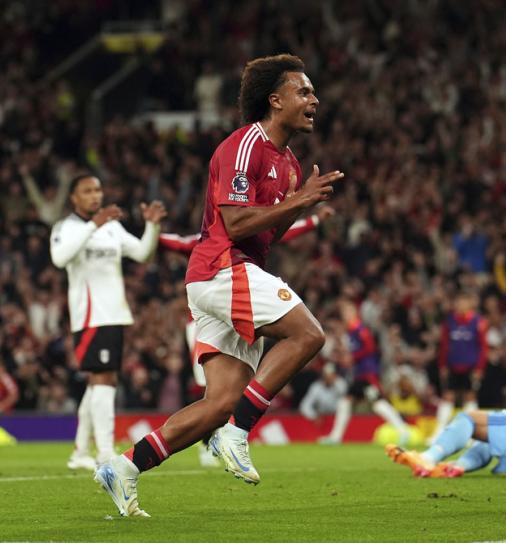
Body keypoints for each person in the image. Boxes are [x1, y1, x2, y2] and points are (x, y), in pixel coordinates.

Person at [94, 54, 343, 517]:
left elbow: (266, 232)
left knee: (219, 401)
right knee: (308, 334)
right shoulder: (246, 144)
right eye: (303, 91)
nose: (314, 99)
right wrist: (301, 202)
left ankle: (124, 467)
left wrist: (296, 206)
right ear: (275, 100)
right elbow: (236, 221)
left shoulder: (288, 163)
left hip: (231, 273)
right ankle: (238, 431)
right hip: (222, 267)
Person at [159, 206, 335, 467]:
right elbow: (170, 241)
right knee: (207, 388)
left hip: (236, 309)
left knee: (229, 390)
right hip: (203, 320)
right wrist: (148, 230)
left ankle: (223, 435)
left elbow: (281, 233)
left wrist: (313, 220)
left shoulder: (246, 235)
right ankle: (208, 441)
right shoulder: (203, 242)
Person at [51, 174, 166, 471]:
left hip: (114, 313)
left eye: (98, 190)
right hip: (90, 316)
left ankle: (80, 451)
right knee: (102, 380)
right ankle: (103, 452)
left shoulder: (112, 228)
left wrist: (152, 226)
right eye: (87, 191)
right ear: (74, 198)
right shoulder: (66, 228)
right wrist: (93, 225)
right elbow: (60, 258)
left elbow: (142, 253)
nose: (95, 196)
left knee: (101, 381)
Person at [318, 300, 411, 445]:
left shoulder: (360, 330)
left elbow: (370, 349)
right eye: (344, 313)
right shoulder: (351, 331)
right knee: (349, 401)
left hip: (367, 373)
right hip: (359, 374)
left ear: (355, 313)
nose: (345, 315)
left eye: (348, 312)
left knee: (376, 402)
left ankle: (403, 430)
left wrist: (352, 357)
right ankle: (335, 437)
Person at [431, 291, 489, 442]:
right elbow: (444, 345)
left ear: (470, 305)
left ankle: (472, 435)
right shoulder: (449, 322)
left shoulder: (478, 322)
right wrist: (442, 365)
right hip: (453, 365)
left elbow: (483, 347)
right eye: (458, 302)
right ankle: (438, 432)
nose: (460, 305)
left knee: (469, 398)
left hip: (471, 366)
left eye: (463, 302)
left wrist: (480, 368)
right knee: (448, 397)